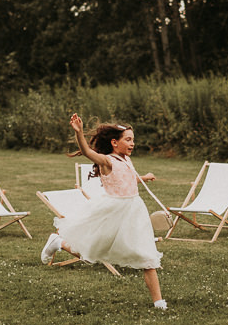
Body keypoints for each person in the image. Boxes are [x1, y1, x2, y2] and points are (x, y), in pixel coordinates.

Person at [40, 113, 167, 310]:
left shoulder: (126, 160)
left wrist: (143, 177)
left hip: (134, 212)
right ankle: (58, 242)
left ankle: (159, 303)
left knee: (147, 254)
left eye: (133, 140)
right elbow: (87, 152)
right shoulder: (107, 161)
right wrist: (79, 134)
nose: (132, 144)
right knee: (91, 250)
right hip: (111, 213)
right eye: (128, 140)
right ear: (115, 142)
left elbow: (126, 178)